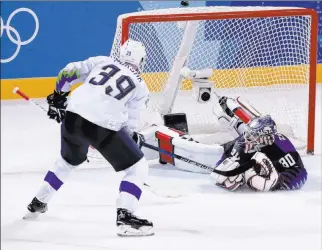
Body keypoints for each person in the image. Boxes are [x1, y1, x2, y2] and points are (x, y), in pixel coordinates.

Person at [24, 39, 154, 237]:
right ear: (141, 60)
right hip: (103, 126)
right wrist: (132, 140)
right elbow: (129, 125)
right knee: (137, 167)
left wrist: (59, 97)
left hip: (73, 116)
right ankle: (126, 217)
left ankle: (38, 202)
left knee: (66, 161)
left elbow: (68, 72)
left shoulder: (102, 61)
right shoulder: (140, 85)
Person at [139, 67, 307, 192]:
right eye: (251, 135)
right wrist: (234, 172)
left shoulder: (282, 148)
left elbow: (300, 174)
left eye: (256, 136)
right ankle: (158, 133)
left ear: (267, 137)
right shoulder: (245, 142)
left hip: (261, 164)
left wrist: (279, 182)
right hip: (228, 151)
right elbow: (221, 171)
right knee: (206, 148)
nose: (251, 138)